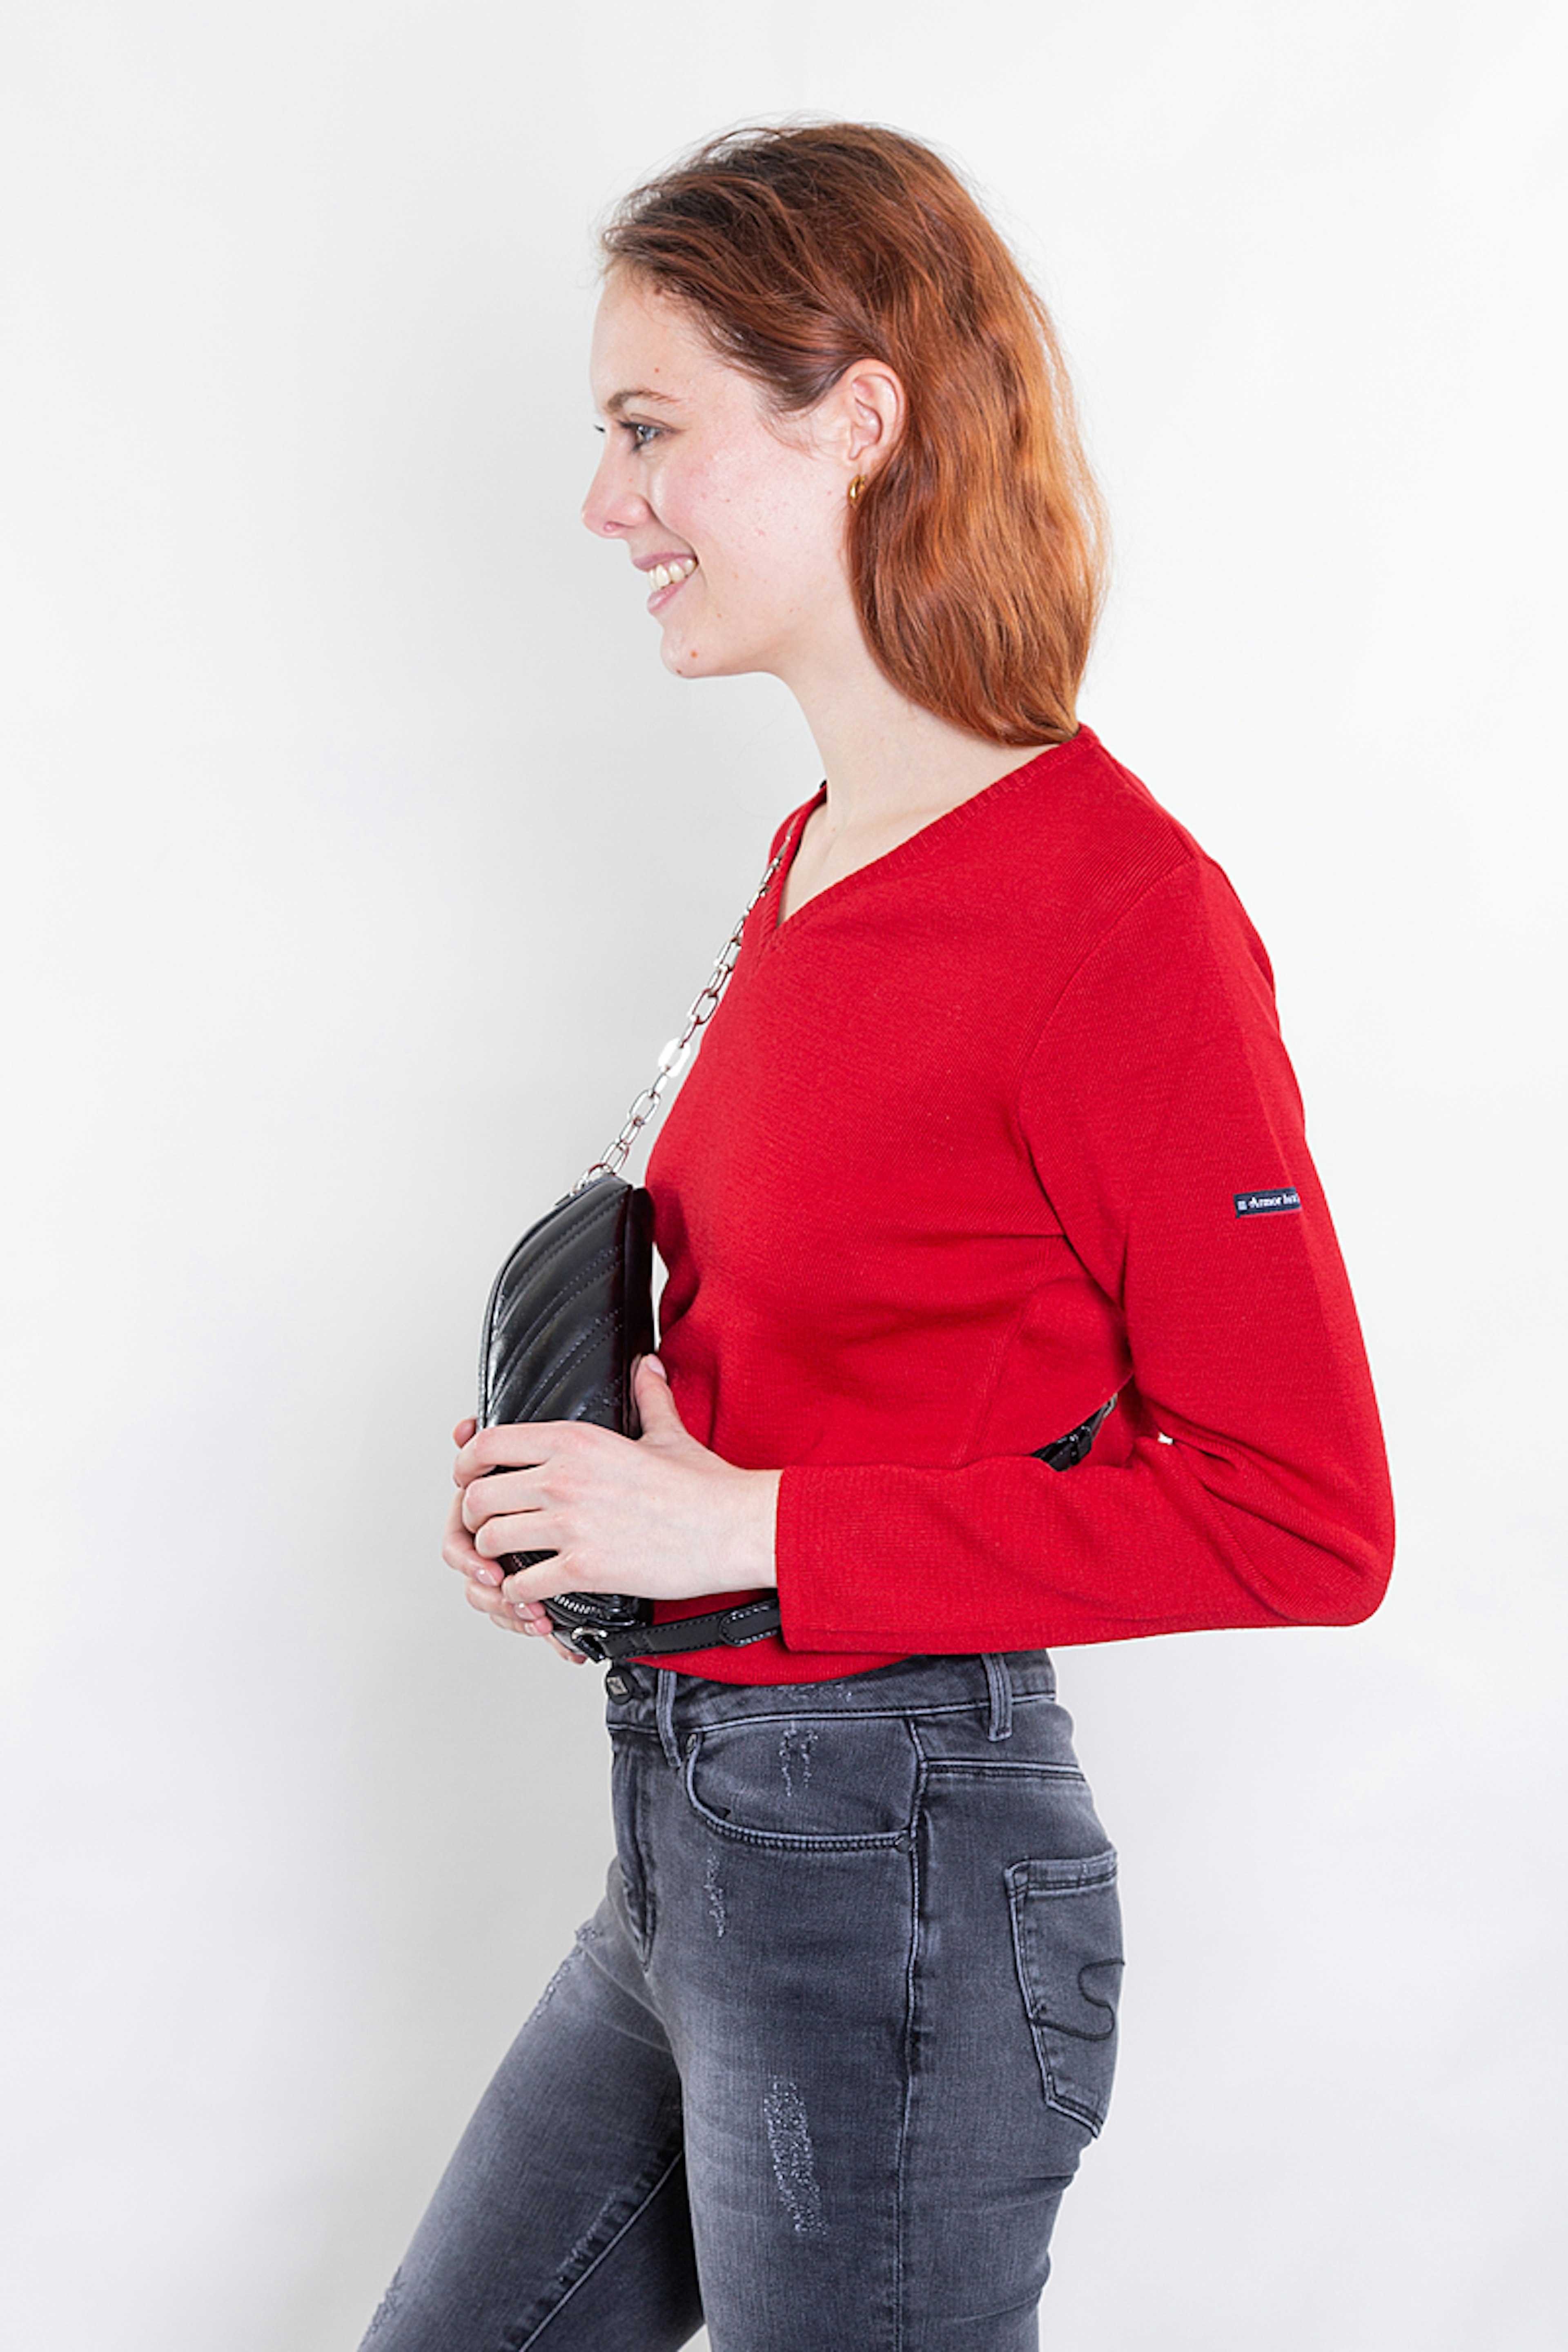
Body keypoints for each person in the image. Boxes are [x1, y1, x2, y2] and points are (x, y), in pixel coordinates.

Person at [361, 122, 1393, 2352]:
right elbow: (843, 1355)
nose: (604, 502)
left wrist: (743, 1525)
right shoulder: (815, 853)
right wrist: (595, 1513)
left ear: (858, 421)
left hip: (896, 1872)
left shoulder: (1121, 918)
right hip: (690, 1840)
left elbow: (1306, 1518)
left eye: (651, 428)